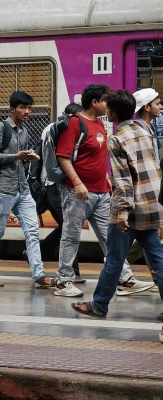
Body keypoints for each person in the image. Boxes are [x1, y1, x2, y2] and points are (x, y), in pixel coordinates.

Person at [71, 89, 163, 324]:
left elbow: (123, 181)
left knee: (114, 258)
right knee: (158, 258)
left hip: (130, 209)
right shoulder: (145, 130)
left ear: (112, 112)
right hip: (153, 203)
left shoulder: (116, 139)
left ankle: (99, 304)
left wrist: (122, 212)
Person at [54, 84, 153, 297]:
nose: (108, 105)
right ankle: (63, 281)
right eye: (106, 100)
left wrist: (106, 177)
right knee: (71, 236)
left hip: (101, 191)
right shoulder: (75, 123)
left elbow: (98, 157)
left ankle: (124, 279)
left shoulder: (100, 124)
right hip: (76, 192)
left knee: (110, 237)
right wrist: (77, 181)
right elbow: (63, 155)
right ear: (94, 102)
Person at [0, 91, 54, 289]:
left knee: (33, 232)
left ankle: (38, 274)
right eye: (22, 108)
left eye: (29, 108)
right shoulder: (0, 127)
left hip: (23, 189)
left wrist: (28, 157)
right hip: (4, 189)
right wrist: (16, 157)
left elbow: (18, 158)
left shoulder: (25, 131)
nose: (27, 111)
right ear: (13, 109)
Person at [38, 103, 84, 282]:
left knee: (69, 225)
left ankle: (39, 251)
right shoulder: (56, 129)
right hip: (53, 184)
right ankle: (72, 272)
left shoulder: (65, 127)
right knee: (69, 225)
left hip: (61, 183)